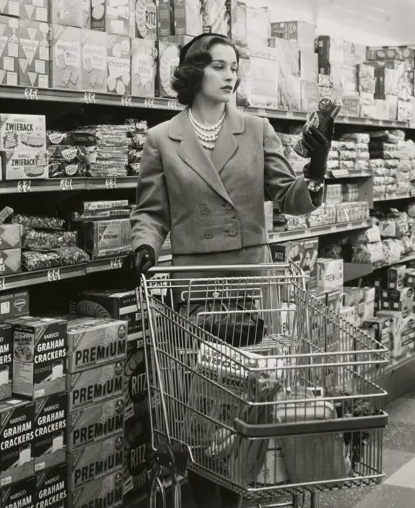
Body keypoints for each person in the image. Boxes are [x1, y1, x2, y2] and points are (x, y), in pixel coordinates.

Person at [122, 33, 334, 507]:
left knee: (244, 412)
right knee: (199, 416)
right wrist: (144, 247)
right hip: (195, 296)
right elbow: (151, 213)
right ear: (195, 73)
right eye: (218, 66)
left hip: (251, 289)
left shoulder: (257, 130)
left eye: (233, 66)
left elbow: (291, 199)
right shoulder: (162, 139)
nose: (229, 73)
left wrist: (317, 164)